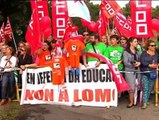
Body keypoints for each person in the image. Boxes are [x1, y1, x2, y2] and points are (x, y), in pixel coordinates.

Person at [140, 40, 159, 109]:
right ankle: (144, 103)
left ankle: (146, 100)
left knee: (150, 88)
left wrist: (157, 65)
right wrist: (149, 65)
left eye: (154, 45)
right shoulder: (144, 53)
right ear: (148, 46)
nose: (154, 46)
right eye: (152, 45)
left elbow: (158, 61)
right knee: (145, 88)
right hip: (145, 72)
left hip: (153, 73)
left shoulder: (156, 54)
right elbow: (142, 61)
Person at [123, 37, 141, 108]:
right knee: (131, 86)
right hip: (129, 71)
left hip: (137, 71)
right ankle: (131, 102)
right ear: (131, 43)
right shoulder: (126, 52)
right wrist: (132, 65)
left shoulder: (138, 52)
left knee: (137, 85)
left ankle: (135, 100)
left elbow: (140, 60)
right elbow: (125, 62)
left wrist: (139, 63)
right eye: (135, 41)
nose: (137, 43)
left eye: (137, 41)